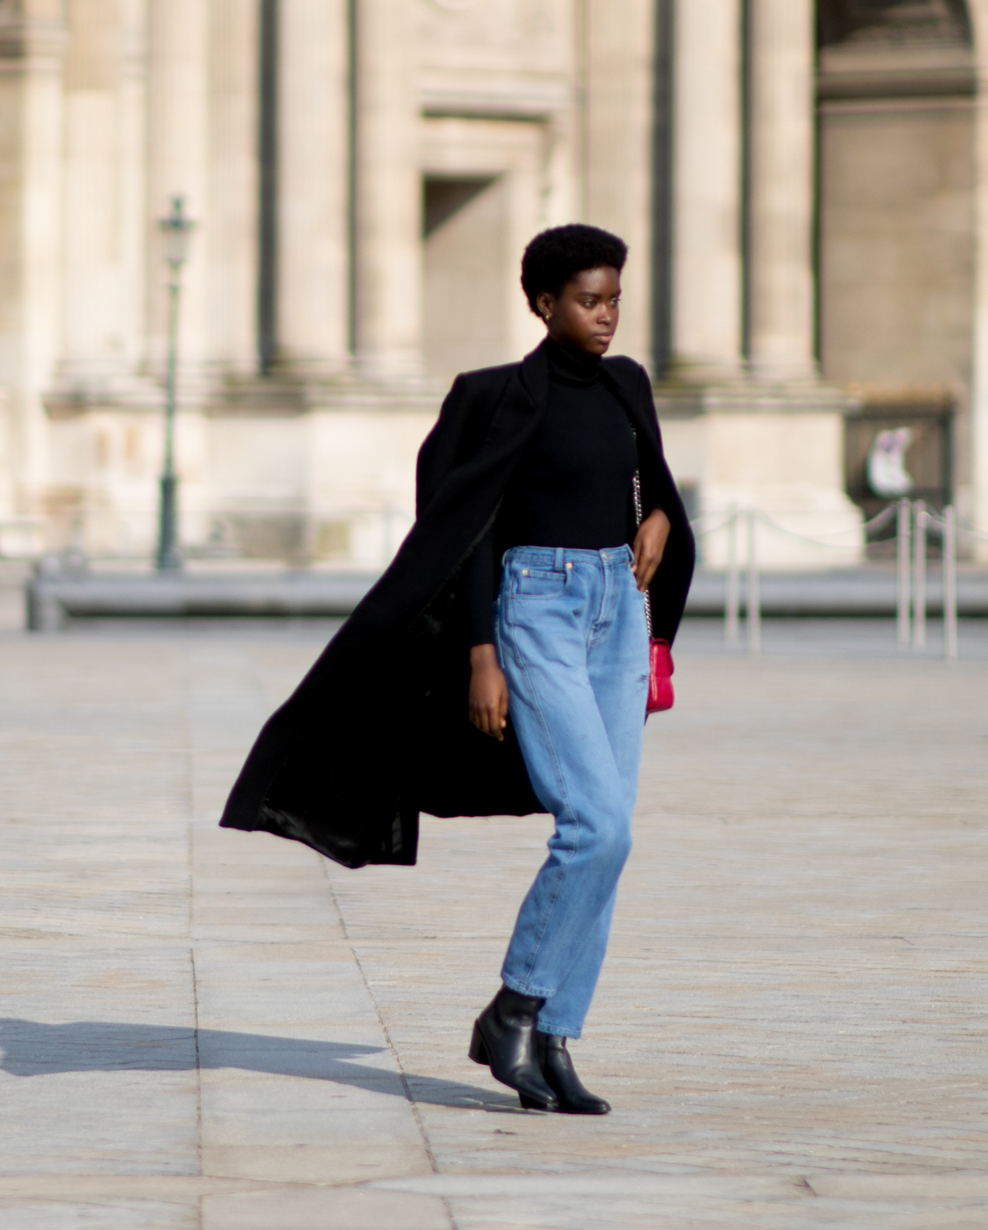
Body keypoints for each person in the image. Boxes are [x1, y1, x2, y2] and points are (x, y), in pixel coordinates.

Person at [219, 224, 693, 1117]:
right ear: (543, 304)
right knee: (597, 827)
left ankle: (552, 1038)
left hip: (615, 615)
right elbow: (464, 531)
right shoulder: (493, 396)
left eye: (615, 298)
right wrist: (482, 652)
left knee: (611, 838)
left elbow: (648, 480)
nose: (606, 315)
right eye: (589, 300)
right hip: (536, 608)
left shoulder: (629, 386)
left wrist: (663, 513)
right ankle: (513, 1006)